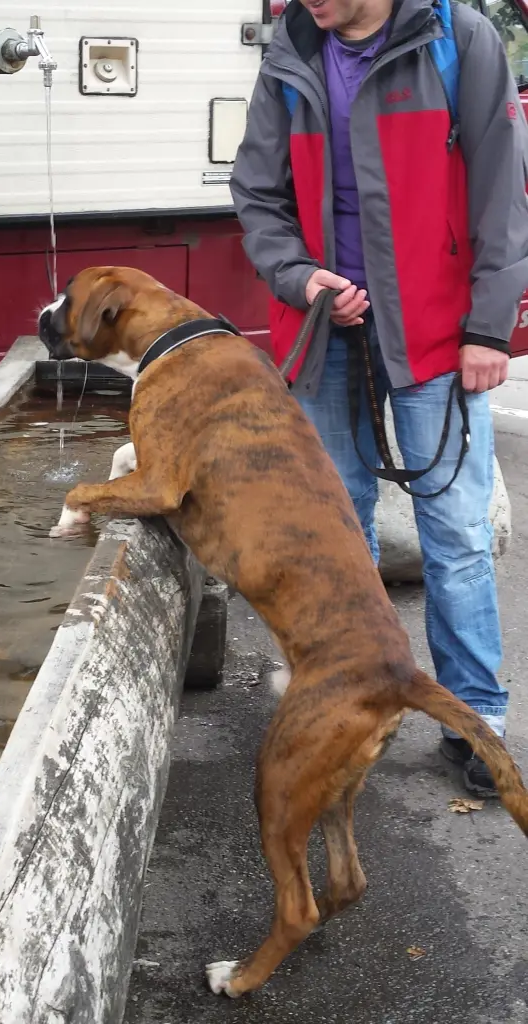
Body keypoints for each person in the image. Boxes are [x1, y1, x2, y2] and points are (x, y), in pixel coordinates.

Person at [230, 0, 528, 797]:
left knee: (458, 538)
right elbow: (257, 195)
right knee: (335, 536)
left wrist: (491, 329)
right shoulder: (290, 48)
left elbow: (504, 190)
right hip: (324, 333)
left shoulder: (459, 40)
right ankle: (353, 706)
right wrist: (301, 278)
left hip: (438, 336)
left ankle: (475, 722)